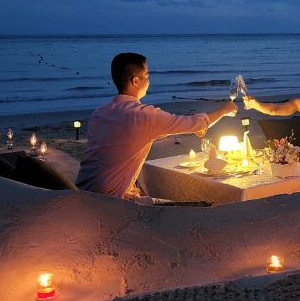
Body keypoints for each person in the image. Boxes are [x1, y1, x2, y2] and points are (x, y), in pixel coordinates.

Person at [76, 52, 236, 199]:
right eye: (147, 75)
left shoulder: (99, 113)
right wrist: (224, 110)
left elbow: (121, 146)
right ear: (136, 81)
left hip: (82, 189)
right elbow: (194, 123)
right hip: (110, 200)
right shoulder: (144, 115)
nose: (149, 80)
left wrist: (195, 128)